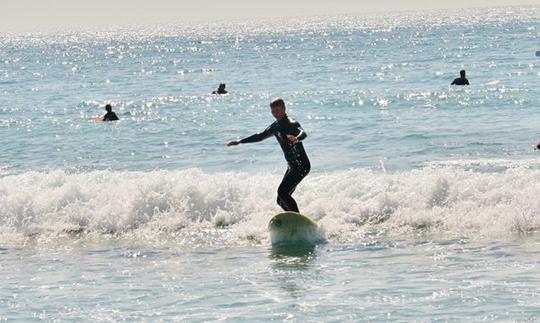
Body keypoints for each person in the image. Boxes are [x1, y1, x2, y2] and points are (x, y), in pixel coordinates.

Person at [227, 98, 310, 213]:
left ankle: (299, 221)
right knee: (280, 200)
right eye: (273, 111)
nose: (275, 113)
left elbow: (303, 133)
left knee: (282, 193)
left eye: (277, 110)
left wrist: (297, 138)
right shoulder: (275, 126)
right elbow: (260, 136)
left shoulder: (291, 123)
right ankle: (293, 219)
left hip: (302, 165)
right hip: (292, 166)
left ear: (284, 109)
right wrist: (240, 141)